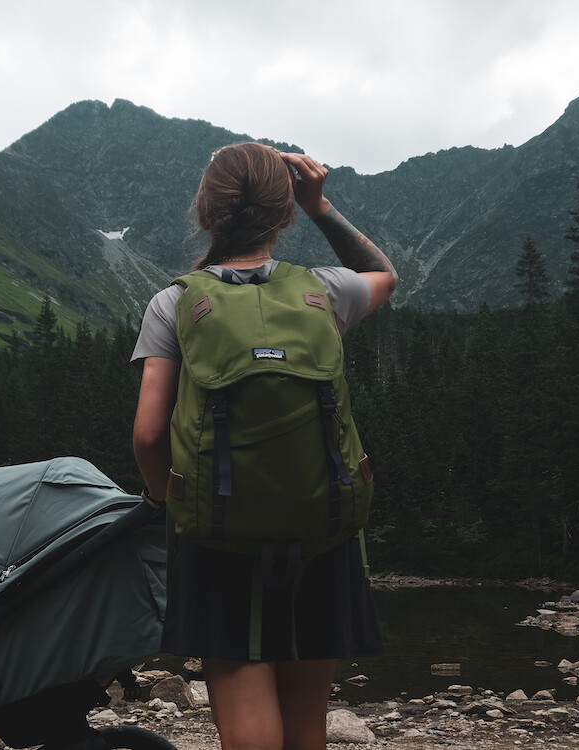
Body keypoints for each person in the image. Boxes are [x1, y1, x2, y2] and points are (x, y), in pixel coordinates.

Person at [131, 142, 398, 750]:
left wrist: (160, 494)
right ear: (284, 216)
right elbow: (385, 273)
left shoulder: (175, 302)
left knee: (243, 686)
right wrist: (321, 206)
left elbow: (149, 433)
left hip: (216, 527)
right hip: (323, 521)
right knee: (308, 716)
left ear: (205, 213)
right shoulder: (326, 292)